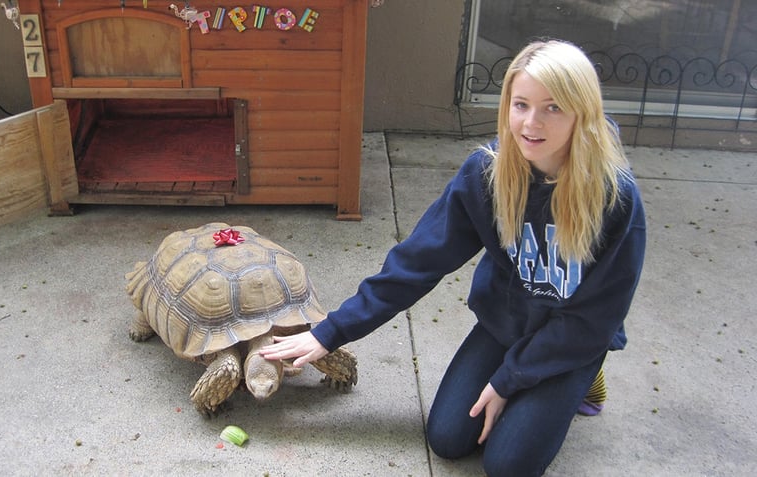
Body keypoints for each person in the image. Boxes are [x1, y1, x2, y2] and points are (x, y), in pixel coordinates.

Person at [259, 39, 646, 477]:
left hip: (573, 338)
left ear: (583, 113)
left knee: (508, 465)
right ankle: (535, 384)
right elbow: (418, 263)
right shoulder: (487, 174)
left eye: (553, 108)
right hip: (506, 326)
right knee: (446, 439)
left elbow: (595, 317)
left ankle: (583, 379)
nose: (531, 123)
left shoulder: (615, 197)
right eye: (521, 104)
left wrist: (508, 381)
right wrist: (332, 331)